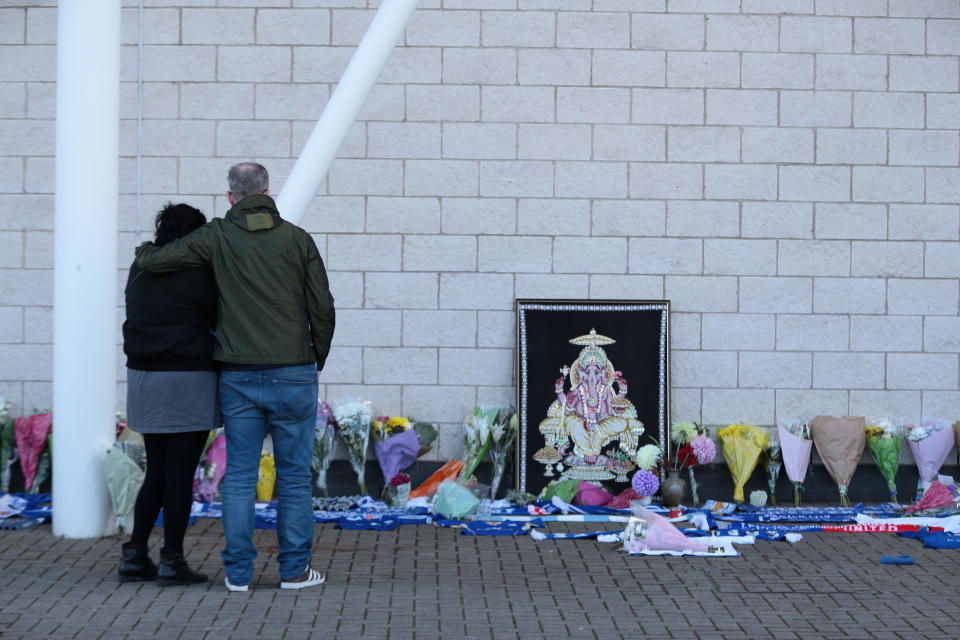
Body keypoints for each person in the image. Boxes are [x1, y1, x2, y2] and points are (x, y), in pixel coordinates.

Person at [135, 163, 335, 592]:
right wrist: (316, 356)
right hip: (292, 370)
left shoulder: (217, 236)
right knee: (295, 476)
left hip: (238, 375)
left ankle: (239, 574)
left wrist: (142, 252)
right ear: (267, 190)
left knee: (241, 476)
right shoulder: (298, 240)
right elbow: (322, 306)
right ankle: (294, 571)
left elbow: (159, 258)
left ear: (230, 197)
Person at [120, 202, 218, 586]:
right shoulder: (199, 272)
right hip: (187, 378)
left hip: (144, 379)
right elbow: (218, 317)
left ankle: (134, 554)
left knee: (156, 473)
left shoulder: (139, 267)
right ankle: (172, 561)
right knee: (179, 476)